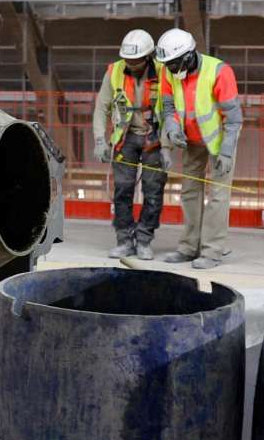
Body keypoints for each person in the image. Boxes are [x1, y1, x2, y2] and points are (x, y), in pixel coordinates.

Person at [155, 28, 243, 270]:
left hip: (218, 143)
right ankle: (188, 247)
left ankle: (213, 251)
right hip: (191, 141)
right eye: (167, 65)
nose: (170, 69)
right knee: (190, 192)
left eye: (173, 64)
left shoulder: (219, 72)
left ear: (188, 56)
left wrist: (226, 152)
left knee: (217, 196)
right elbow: (168, 107)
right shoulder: (168, 71)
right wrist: (172, 130)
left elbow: (234, 119)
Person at [92, 29, 165, 260]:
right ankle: (124, 240)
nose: (131, 64)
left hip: (154, 139)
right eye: (128, 60)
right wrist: (100, 140)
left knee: (153, 191)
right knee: (123, 190)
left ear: (148, 57)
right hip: (125, 139)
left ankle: (144, 239)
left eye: (135, 61)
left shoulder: (164, 72)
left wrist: (170, 143)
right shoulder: (114, 72)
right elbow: (102, 107)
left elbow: (175, 106)